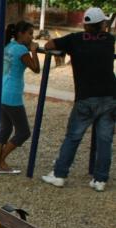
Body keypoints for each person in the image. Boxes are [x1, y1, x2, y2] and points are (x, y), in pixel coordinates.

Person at [41, 7, 115, 192]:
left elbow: (49, 45)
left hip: (85, 97)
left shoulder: (74, 40)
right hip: (109, 96)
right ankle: (100, 180)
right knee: (105, 140)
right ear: (102, 25)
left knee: (73, 137)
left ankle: (60, 174)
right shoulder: (109, 40)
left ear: (85, 24)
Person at [0, 21, 40, 174]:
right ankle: (1, 160)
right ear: (21, 34)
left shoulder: (9, 46)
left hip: (1, 91)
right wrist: (34, 51)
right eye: (29, 33)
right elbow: (36, 69)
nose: (31, 37)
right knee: (23, 132)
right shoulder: (21, 50)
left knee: (6, 128)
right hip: (12, 95)